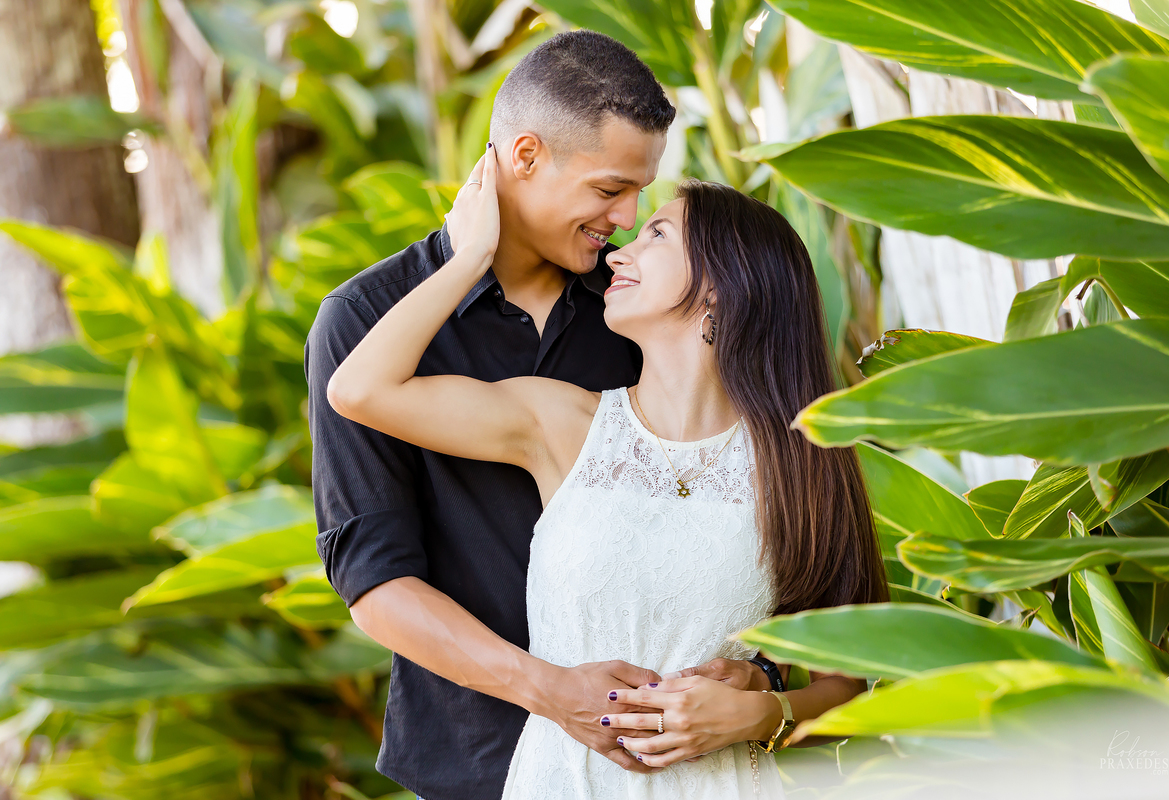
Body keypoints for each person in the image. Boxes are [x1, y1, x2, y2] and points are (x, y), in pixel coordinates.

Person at [325, 134, 890, 798]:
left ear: (721, 288)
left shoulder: (806, 461)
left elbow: (851, 676)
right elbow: (358, 391)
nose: (620, 250)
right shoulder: (562, 424)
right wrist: (469, 254)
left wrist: (766, 710)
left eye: (655, 235)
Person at [306, 30, 783, 800]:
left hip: (661, 764)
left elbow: (733, 509)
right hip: (474, 759)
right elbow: (375, 581)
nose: (627, 219)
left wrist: (761, 676)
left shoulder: (637, 313)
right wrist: (549, 688)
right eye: (609, 190)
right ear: (524, 157)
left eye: (640, 194)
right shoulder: (365, 323)